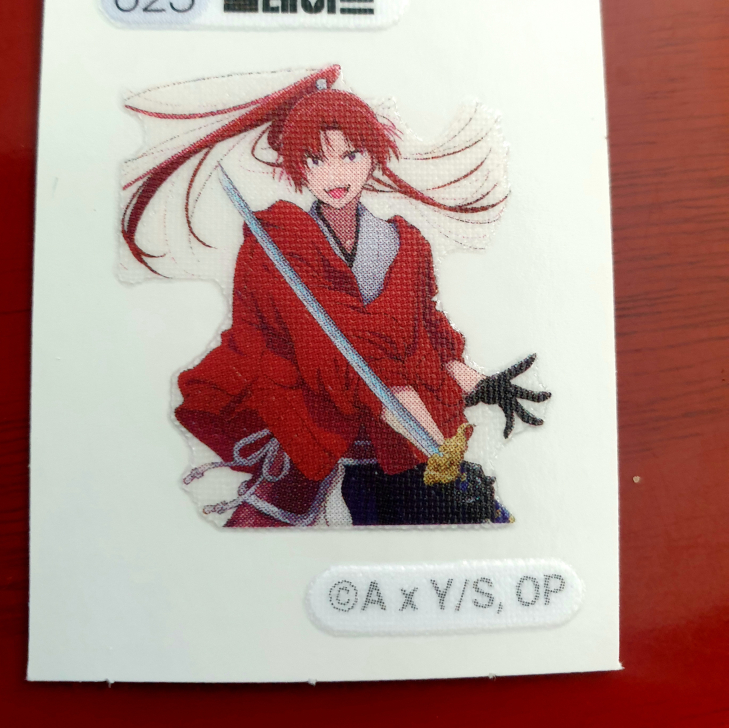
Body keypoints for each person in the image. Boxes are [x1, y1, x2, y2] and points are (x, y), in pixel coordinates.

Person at [121, 65, 549, 527]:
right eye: (315, 159)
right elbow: (337, 357)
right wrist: (443, 458)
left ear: (372, 155)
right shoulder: (279, 244)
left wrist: (479, 382)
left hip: (408, 444)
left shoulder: (407, 244)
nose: (334, 174)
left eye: (350, 155)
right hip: (332, 438)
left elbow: (428, 338)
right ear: (296, 166)